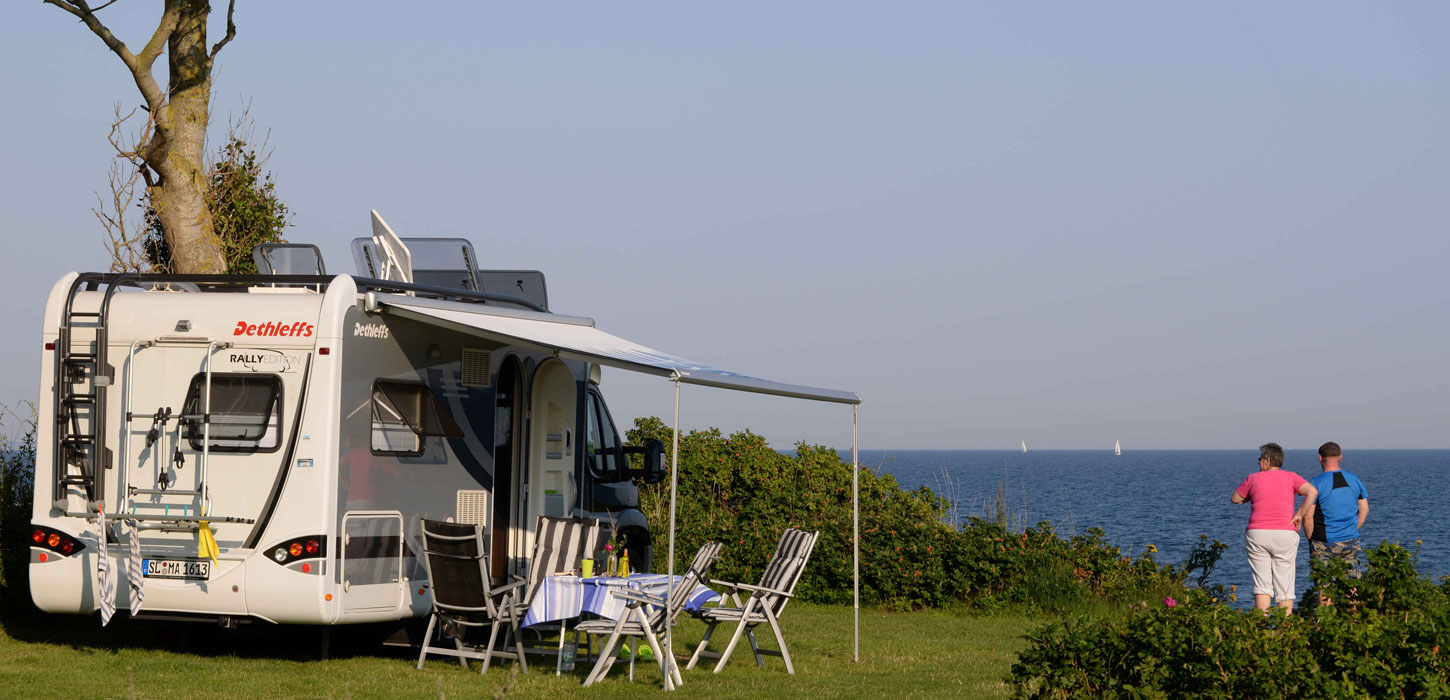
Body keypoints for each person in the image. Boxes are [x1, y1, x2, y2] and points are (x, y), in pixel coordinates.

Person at [1231, 442, 1317, 613]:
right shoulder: (1291, 477)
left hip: (1258, 533)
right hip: (1285, 532)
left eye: (1260, 459)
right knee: (1284, 583)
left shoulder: (1253, 478)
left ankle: (1262, 629)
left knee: (1262, 584)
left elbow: (1235, 498)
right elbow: (1312, 492)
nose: (1258, 463)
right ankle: (1284, 630)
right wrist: (1299, 514)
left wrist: (1250, 497)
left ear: (1267, 461)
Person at [1302, 441, 1369, 580]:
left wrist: (1311, 539)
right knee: (1352, 583)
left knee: (1323, 584)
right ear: (1340, 457)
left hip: (1323, 542)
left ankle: (1325, 603)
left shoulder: (1315, 483)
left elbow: (1308, 517)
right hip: (1351, 539)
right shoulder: (1354, 480)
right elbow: (1364, 510)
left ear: (1320, 458)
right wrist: (1352, 529)